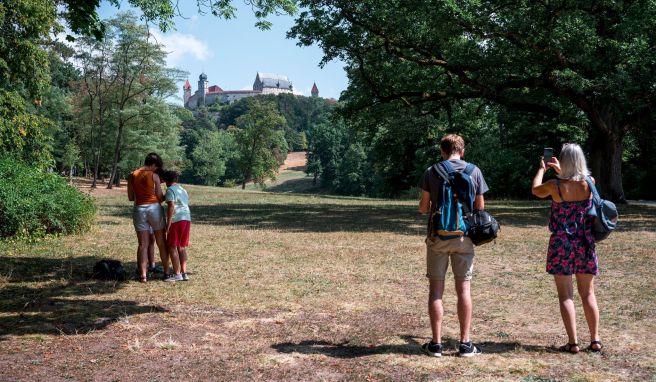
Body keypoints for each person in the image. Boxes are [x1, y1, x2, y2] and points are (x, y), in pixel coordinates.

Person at [418, 134, 488, 357]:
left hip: (438, 236)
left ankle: (436, 344)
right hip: (464, 237)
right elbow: (480, 207)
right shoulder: (474, 171)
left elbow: (422, 207)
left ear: (442, 151)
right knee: (464, 289)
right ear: (462, 151)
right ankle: (465, 344)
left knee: (436, 291)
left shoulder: (432, 171)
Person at [531, 143, 602, 354]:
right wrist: (562, 171)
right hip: (585, 242)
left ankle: (573, 343)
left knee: (566, 295)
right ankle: (595, 340)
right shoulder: (590, 183)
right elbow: (575, 180)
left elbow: (535, 190)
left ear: (563, 160)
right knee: (588, 294)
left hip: (562, 243)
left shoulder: (554, 186)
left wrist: (542, 169)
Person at [127, 153, 176, 282]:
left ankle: (143, 275)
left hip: (139, 209)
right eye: (156, 167)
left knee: (142, 244)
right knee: (161, 242)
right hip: (154, 208)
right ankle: (166, 272)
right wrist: (168, 196)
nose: (156, 170)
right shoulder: (153, 176)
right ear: (153, 165)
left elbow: (131, 197)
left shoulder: (132, 175)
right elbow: (159, 197)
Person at [161, 170, 190, 282]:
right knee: (181, 246)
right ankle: (184, 273)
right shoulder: (182, 189)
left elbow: (171, 206)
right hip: (187, 218)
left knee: (172, 246)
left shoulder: (170, 190)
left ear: (165, 180)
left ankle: (177, 274)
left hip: (176, 220)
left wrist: (168, 223)